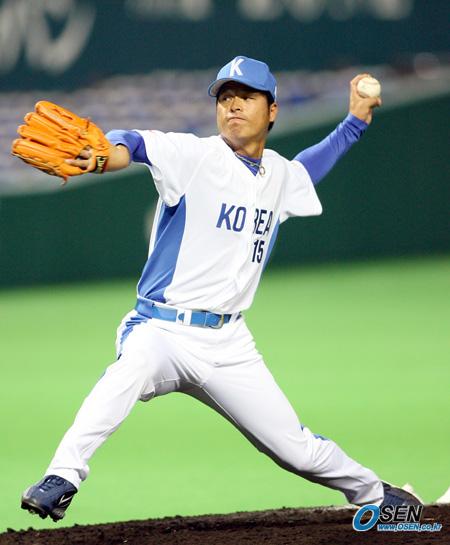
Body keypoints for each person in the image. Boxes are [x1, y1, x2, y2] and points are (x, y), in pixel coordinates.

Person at [21, 56, 421, 522]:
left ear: (272, 111)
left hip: (230, 343)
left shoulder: (276, 175)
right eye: (225, 97)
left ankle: (377, 495)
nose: (232, 105)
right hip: (161, 330)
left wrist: (355, 122)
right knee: (127, 372)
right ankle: (62, 477)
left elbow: (307, 169)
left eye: (246, 96)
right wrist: (105, 155)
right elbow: (135, 143)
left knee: (296, 449)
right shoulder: (194, 156)